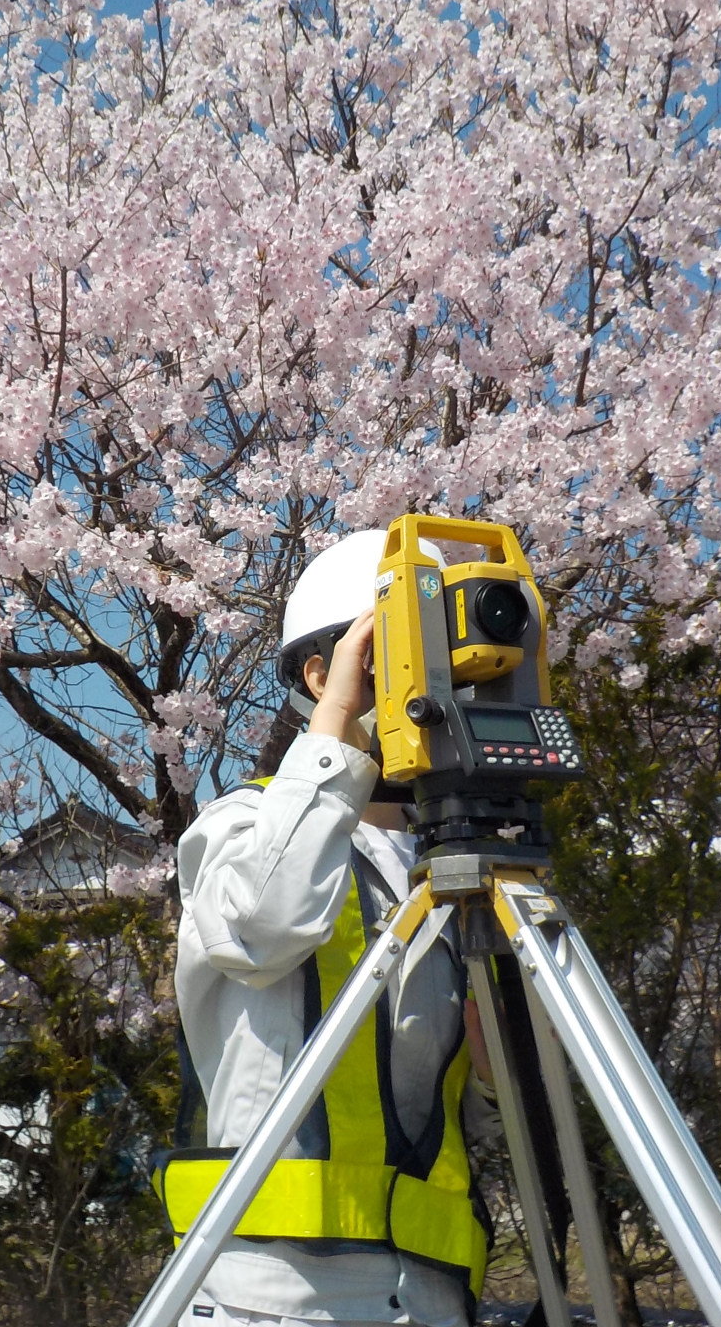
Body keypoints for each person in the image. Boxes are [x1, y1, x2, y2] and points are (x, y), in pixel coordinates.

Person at [156, 531, 495, 1327]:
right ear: (323, 672)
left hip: (431, 1297)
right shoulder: (241, 825)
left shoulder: (458, 868)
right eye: (411, 653)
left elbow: (496, 1107)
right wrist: (339, 724)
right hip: (271, 1296)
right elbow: (262, 926)